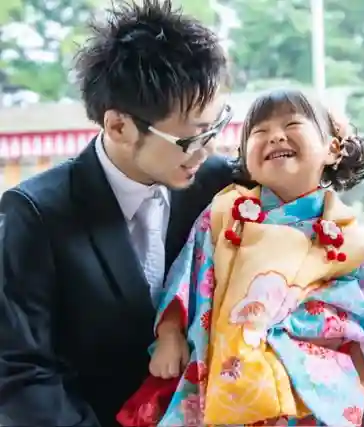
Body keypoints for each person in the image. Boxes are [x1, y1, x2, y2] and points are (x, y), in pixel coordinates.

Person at [0, 1, 234, 426]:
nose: (208, 149)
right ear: (119, 127)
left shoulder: (219, 184)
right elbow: (20, 370)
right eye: (192, 138)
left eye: (215, 128)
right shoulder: (36, 214)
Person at [116, 88, 364, 427]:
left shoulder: (347, 236)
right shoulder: (224, 211)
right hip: (221, 374)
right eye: (260, 132)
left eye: (292, 124)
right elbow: (188, 275)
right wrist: (170, 333)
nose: (275, 136)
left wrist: (363, 388)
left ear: (333, 148)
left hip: (310, 387)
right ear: (245, 157)